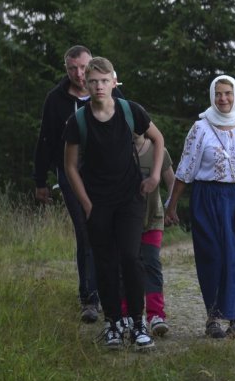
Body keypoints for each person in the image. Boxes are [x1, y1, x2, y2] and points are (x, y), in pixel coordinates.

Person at [62, 57, 165, 350]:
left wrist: (155, 176)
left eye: (104, 81)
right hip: (97, 202)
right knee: (105, 262)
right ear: (86, 84)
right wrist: (86, 203)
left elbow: (158, 139)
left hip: (130, 198)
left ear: (114, 82)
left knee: (131, 258)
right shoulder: (78, 120)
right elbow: (69, 166)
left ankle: (137, 322)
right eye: (93, 81)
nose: (98, 86)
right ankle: (113, 324)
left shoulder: (130, 110)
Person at [166, 75, 235, 341]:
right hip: (208, 197)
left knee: (232, 257)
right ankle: (213, 317)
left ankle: (234, 318)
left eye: (227, 93)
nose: (223, 99)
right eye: (218, 94)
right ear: (212, 96)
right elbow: (185, 169)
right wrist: (172, 204)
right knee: (211, 256)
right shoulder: (200, 128)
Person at [34, 44, 123, 324]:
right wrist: (40, 180)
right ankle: (89, 298)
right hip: (70, 173)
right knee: (85, 230)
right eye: (73, 68)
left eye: (83, 67)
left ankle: (115, 292)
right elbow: (45, 140)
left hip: (106, 173)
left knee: (110, 230)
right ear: (66, 69)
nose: (79, 73)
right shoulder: (56, 99)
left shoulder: (110, 91)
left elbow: (129, 129)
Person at [128, 133, 176, 336]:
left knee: (152, 264)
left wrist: (170, 208)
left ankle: (156, 315)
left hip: (153, 218)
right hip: (126, 220)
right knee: (127, 265)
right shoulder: (119, 150)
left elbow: (172, 182)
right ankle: (127, 314)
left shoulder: (159, 151)